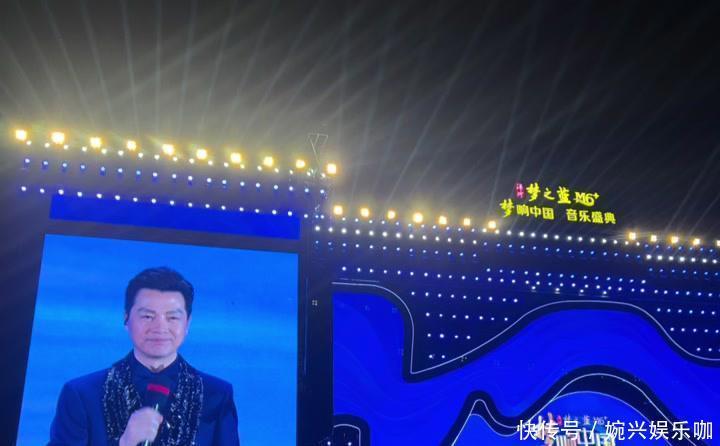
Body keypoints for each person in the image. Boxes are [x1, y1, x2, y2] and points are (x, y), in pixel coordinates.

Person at [48, 267, 240, 445]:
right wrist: (125, 443)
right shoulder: (82, 394)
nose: (160, 328)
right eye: (148, 316)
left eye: (172, 317)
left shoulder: (217, 394)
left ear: (187, 323)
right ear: (126, 318)